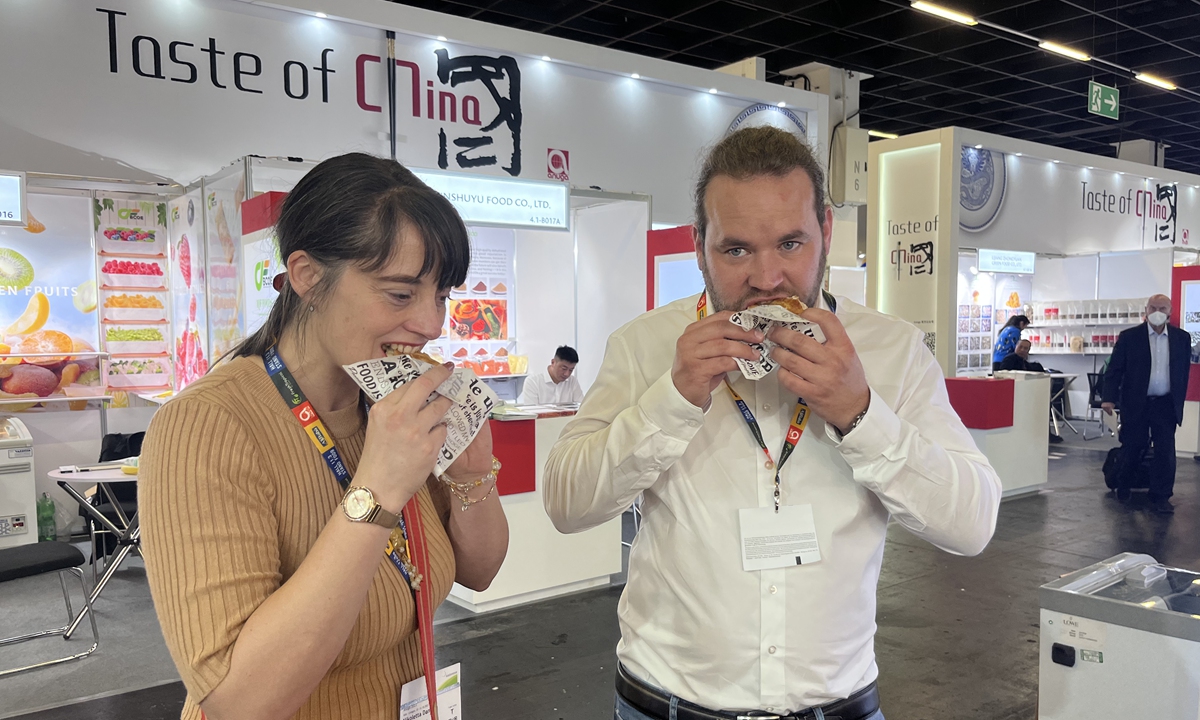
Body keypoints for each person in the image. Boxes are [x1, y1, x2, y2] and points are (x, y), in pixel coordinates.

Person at [544, 126, 1002, 720]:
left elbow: (973, 523)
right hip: (666, 703)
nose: (765, 277)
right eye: (735, 250)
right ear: (698, 244)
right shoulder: (648, 344)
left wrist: (861, 415)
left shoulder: (891, 350)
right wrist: (672, 399)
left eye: (790, 244)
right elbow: (565, 501)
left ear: (827, 233)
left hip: (839, 704)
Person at [139, 154, 509, 720]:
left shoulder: (388, 403)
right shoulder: (206, 425)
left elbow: (478, 573)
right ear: (309, 277)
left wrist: (471, 471)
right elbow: (241, 702)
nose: (433, 324)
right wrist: (379, 489)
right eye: (401, 294)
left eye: (442, 296)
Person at [1101, 294, 1190, 514]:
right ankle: (1124, 484)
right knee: (1134, 445)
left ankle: (1161, 494)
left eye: (1162, 308)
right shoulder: (1129, 337)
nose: (1157, 311)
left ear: (1170, 311)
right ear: (1146, 310)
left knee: (1165, 450)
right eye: (1153, 307)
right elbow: (1114, 370)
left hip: (1165, 403)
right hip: (1136, 401)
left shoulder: (1181, 338)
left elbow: (1181, 371)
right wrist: (1108, 398)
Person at [518, 345, 583, 405]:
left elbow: (581, 407)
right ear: (553, 362)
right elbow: (532, 412)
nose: (567, 374)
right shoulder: (533, 382)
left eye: (571, 370)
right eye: (564, 368)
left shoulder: (572, 381)